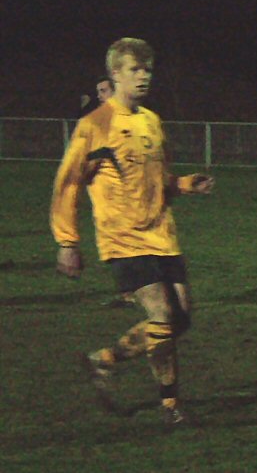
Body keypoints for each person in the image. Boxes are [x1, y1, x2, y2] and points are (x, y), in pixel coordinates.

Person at [51, 37, 215, 424]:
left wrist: (187, 184)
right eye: (134, 70)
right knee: (160, 315)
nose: (143, 76)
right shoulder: (95, 125)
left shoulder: (151, 122)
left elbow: (159, 181)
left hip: (162, 234)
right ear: (115, 74)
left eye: (147, 69)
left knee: (180, 319)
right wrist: (67, 241)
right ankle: (171, 407)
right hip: (122, 237)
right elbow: (69, 183)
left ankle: (104, 360)